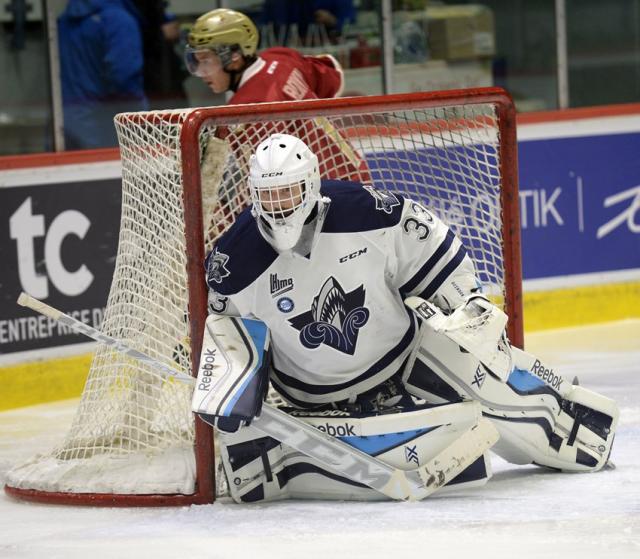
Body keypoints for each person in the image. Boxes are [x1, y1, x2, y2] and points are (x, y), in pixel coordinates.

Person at [198, 133, 619, 503]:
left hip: (404, 356)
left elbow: (431, 246)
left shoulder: (366, 211)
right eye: (269, 195)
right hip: (312, 394)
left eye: (288, 192)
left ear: (310, 185)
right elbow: (225, 334)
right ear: (253, 194)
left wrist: (466, 303)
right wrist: (227, 383)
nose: (279, 205)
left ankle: (560, 418)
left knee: (486, 372)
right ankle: (300, 451)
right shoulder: (234, 261)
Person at [184, 8, 344, 104]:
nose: (202, 72)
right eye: (197, 62)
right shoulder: (281, 56)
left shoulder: (244, 109)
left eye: (206, 61)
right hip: (350, 160)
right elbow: (333, 76)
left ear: (234, 55)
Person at [58, 0, 148, 149]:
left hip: (65, 126)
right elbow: (124, 78)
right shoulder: (118, 21)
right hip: (102, 132)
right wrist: (143, 125)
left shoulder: (64, 21)